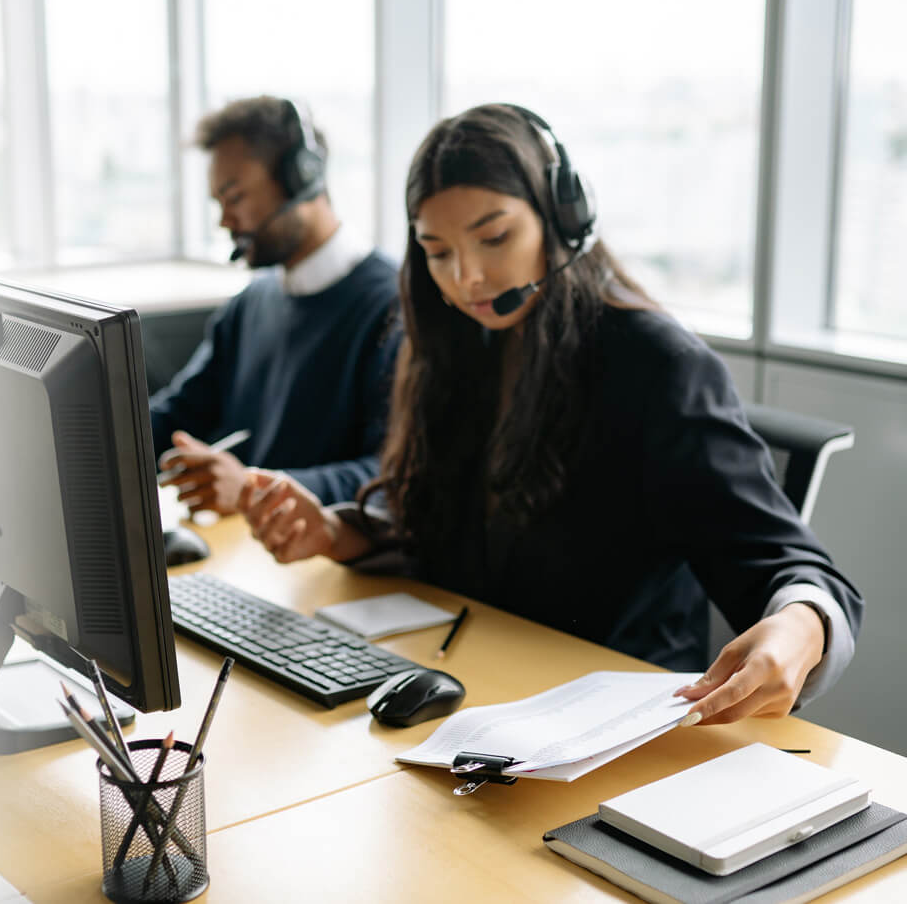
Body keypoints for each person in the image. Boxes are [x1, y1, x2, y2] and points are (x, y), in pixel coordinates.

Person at [238, 103, 862, 725]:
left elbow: (789, 564)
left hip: (614, 720)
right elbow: (452, 532)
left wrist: (802, 627)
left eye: (494, 238)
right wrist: (337, 531)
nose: (468, 279)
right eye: (437, 251)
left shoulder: (656, 364)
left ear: (562, 219)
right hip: (487, 702)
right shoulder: (457, 348)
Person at [150, 95, 400, 515]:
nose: (225, 221)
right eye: (219, 203)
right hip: (246, 551)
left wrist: (250, 487)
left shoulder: (392, 308)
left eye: (235, 197)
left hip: (325, 565)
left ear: (302, 177)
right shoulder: (252, 303)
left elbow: (390, 476)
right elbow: (179, 413)